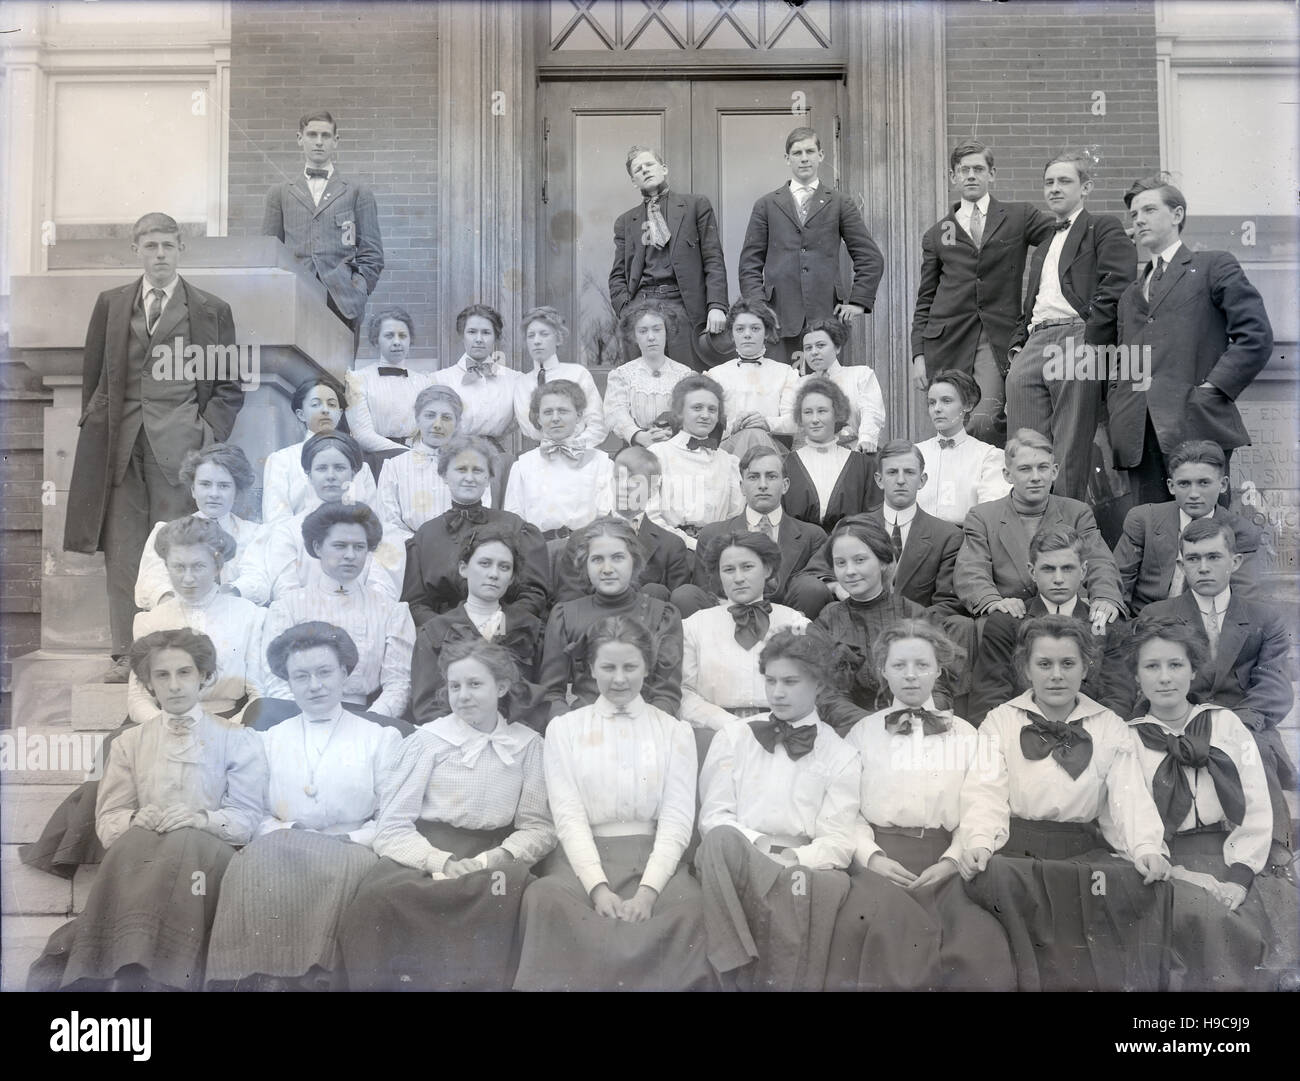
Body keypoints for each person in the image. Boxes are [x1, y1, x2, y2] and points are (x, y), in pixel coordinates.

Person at [28, 629, 265, 991]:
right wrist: (135, 818)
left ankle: (150, 979)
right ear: (149, 685)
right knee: (133, 842)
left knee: (183, 843)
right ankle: (130, 975)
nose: (174, 685)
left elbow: (246, 821)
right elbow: (108, 823)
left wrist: (200, 819)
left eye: (184, 672)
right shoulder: (129, 742)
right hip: (143, 857)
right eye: (162, 675)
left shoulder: (238, 739)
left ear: (204, 676)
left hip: (207, 862)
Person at [64, 211, 245, 683]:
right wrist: (97, 424)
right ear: (136, 250)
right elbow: (93, 378)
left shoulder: (210, 309)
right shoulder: (111, 304)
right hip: (120, 447)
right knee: (122, 550)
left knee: (180, 550)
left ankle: (181, 651)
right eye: (150, 246)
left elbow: (228, 387)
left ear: (180, 248)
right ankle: (125, 652)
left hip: (181, 450)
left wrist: (205, 437)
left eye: (167, 245)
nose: (159, 254)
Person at [958, 616, 1173, 991]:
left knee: (1135, 887)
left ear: (1086, 667)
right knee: (995, 880)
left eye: (1068, 664)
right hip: (1018, 851)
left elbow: (1128, 798)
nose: (1056, 675)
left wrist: (1146, 848)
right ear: (1026, 668)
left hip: (1081, 851)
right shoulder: (1001, 721)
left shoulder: (1108, 725)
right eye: (1044, 664)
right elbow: (985, 791)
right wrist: (979, 841)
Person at [340, 640, 556, 991]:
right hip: (425, 850)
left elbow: (539, 827)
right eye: (455, 686)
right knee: (377, 901)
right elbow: (393, 825)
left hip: (493, 857)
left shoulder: (528, 745)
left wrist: (497, 857)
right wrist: (439, 860)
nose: (464, 695)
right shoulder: (428, 741)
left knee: (507, 896)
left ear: (501, 687)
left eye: (475, 684)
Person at [515, 616, 712, 991]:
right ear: (590, 669)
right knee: (543, 898)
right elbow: (568, 815)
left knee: (692, 908)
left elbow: (676, 819)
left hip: (653, 858)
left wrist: (650, 891)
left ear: (647, 668)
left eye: (630, 667)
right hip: (582, 858)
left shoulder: (674, 731)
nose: (619, 679)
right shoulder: (565, 729)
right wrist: (596, 887)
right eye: (607, 667)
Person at [205, 623, 403, 990]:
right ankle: (260, 980)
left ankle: (314, 982)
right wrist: (286, 831)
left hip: (351, 847)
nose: (314, 685)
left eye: (325, 672)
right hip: (281, 844)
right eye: (301, 676)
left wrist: (350, 838)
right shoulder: (266, 741)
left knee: (339, 870)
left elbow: (393, 817)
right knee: (253, 862)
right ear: (289, 682)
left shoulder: (380, 740)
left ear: (344, 673)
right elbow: (253, 812)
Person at [826, 619, 1016, 991]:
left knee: (979, 943)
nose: (911, 676)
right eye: (899, 666)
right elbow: (843, 808)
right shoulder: (863, 734)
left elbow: (984, 802)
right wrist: (872, 857)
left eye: (922, 665)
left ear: (938, 670)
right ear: (883, 670)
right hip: (879, 865)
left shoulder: (966, 735)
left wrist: (952, 860)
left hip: (945, 867)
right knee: (880, 936)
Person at [1125, 622, 1296, 991]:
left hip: (1235, 855)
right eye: (1151, 667)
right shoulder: (1129, 739)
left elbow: (1255, 804)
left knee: (1272, 920)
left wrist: (1239, 876)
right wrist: (1179, 871)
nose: (1165, 677)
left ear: (1193, 670)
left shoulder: (1226, 725)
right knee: (1207, 922)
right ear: (1137, 677)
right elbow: (1131, 819)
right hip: (1170, 864)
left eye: (1175, 665)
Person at [695, 629, 859, 990]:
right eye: (770, 681)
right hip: (742, 854)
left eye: (790, 681)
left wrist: (792, 857)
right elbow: (714, 816)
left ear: (818, 684)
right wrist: (762, 850)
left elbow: (839, 839)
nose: (778, 692)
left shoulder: (840, 754)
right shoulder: (735, 737)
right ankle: (734, 964)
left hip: (800, 861)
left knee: (810, 888)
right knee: (719, 839)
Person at [1137, 516, 1296, 876]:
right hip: (1178, 717)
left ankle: (1277, 853)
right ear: (1181, 564)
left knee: (1253, 746)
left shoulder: (1263, 617)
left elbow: (1274, 686)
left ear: (1235, 561)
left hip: (1243, 718)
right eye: (1193, 559)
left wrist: (1229, 725)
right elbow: (1152, 677)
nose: (1203, 567)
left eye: (1213, 557)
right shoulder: (1158, 615)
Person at [1111, 174, 1273, 505]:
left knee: (1207, 534)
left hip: (1196, 422)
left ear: (1177, 214)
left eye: (1149, 210)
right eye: (1134, 215)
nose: (1139, 219)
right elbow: (1122, 360)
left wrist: (1212, 389)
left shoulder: (1212, 265)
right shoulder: (1130, 294)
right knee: (1154, 537)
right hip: (1139, 435)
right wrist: (1119, 404)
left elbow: (1255, 335)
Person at [1005, 150, 1135, 501]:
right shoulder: (1044, 243)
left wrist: (1091, 338)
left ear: (1085, 187)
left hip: (1077, 334)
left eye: (1065, 181)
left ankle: (1065, 525)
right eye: (1049, 182)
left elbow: (1118, 282)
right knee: (1025, 442)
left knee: (1069, 441)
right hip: (1036, 339)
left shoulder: (1102, 227)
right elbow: (1032, 302)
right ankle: (1031, 518)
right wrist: (1019, 343)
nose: (1055, 188)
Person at [911, 140, 1057, 443]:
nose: (971, 175)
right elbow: (925, 297)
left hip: (995, 336)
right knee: (951, 427)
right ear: (953, 177)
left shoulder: (1019, 216)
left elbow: (1061, 240)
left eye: (978, 169)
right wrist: (918, 355)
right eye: (963, 170)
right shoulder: (938, 233)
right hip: (947, 341)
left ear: (992, 174)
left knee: (984, 420)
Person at [251, 503, 415, 729]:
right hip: (297, 716)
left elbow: (398, 685)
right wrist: (306, 720)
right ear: (318, 547)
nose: (350, 555)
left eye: (359, 547)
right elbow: (276, 678)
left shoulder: (392, 612)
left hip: (364, 719)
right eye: (340, 546)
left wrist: (363, 725)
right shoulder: (287, 607)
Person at [737, 126, 884, 363]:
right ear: (787, 159)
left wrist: (858, 302)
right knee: (782, 387)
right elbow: (749, 263)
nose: (804, 158)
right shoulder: (766, 205)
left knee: (822, 387)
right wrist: (759, 309)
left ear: (821, 155)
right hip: (779, 316)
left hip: (826, 312)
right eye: (797, 153)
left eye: (809, 151)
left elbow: (870, 257)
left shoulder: (839, 203)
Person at [954, 428, 1123, 625]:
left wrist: (1104, 597)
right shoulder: (983, 517)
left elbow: (1100, 562)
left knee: (1105, 623)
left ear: (1054, 472)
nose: (1036, 477)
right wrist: (993, 602)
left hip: (1067, 615)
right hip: (1012, 615)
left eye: (1042, 468)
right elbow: (971, 569)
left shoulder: (1077, 512)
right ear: (1008, 475)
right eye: (1025, 469)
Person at [968, 526, 1132, 724]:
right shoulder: (1007, 623)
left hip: (1092, 737)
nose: (1058, 579)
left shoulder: (1106, 625)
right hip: (1024, 736)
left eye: (1068, 568)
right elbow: (989, 696)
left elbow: (1119, 697)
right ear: (1032, 571)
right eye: (1048, 569)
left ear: (1084, 571)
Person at [806, 517, 954, 734]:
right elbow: (828, 695)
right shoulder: (828, 620)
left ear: (884, 561)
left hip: (916, 729)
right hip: (852, 733)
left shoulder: (914, 615)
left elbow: (940, 687)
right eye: (840, 563)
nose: (849, 571)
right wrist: (876, 727)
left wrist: (908, 721)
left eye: (860, 560)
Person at [538, 518, 684, 722]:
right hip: (585, 732)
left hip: (646, 730)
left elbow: (667, 694)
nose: (607, 569)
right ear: (584, 564)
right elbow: (551, 693)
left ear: (634, 561)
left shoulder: (662, 615)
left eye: (617, 558)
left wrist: (647, 730)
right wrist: (569, 729)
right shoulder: (566, 616)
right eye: (597, 559)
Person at [261, 109, 384, 348]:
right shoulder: (279, 193)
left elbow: (373, 253)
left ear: (335, 141)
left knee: (340, 374)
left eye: (326, 136)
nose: (319, 142)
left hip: (342, 301)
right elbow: (270, 253)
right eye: (312, 134)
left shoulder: (357, 192)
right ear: (300, 138)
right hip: (294, 297)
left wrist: (357, 291)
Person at [401, 435, 551, 626]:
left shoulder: (515, 527)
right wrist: (450, 632)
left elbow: (533, 593)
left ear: (488, 478)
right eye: (461, 469)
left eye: (478, 470)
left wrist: (496, 626)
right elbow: (416, 603)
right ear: (445, 476)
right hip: (445, 638)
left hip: (505, 633)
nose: (469, 478)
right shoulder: (426, 535)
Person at [129, 517, 266, 727]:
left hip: (232, 723)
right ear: (166, 566)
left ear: (217, 567)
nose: (188, 578)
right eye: (178, 567)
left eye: (198, 566)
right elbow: (139, 698)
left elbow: (260, 693)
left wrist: (226, 730)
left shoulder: (249, 616)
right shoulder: (151, 621)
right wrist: (169, 727)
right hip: (163, 725)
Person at [673, 446, 832, 620]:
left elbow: (810, 592)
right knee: (685, 594)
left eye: (771, 476)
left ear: (785, 485)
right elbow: (707, 590)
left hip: (788, 624)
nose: (763, 485)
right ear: (742, 486)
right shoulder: (713, 534)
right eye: (754, 477)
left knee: (811, 587)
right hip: (728, 619)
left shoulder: (812, 536)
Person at [409, 526, 544, 729]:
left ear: (512, 577)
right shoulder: (435, 631)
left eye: (504, 567)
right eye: (485, 563)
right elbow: (427, 706)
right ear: (464, 568)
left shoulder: (530, 628)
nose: (494, 574)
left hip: (516, 737)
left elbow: (543, 695)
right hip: (454, 739)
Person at [609, 145, 728, 372]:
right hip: (642, 307)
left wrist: (716, 305)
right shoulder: (626, 222)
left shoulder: (695, 206)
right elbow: (617, 274)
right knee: (643, 378)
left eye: (649, 164)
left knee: (686, 380)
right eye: (638, 169)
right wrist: (627, 311)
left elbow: (713, 259)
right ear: (634, 181)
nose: (645, 170)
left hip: (682, 306)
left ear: (664, 169)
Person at [240, 431, 396, 604]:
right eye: (321, 468)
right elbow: (286, 592)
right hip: (304, 624)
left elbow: (382, 594)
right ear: (309, 475)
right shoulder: (287, 531)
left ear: (353, 473)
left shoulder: (382, 533)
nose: (330, 476)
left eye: (339, 467)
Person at [679, 531, 810, 736]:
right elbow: (684, 693)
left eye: (747, 567)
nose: (738, 578)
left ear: (767, 569)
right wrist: (728, 724)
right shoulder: (694, 626)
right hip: (716, 734)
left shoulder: (794, 623)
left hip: (782, 732)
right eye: (728, 569)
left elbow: (810, 686)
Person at [1114, 439, 1261, 615]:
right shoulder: (1144, 520)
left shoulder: (1241, 532)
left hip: (1205, 629)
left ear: (1223, 485)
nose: (1194, 494)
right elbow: (1117, 584)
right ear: (1171, 486)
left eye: (1204, 483)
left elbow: (1243, 601)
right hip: (1147, 626)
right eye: (1184, 484)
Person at [553, 447, 692, 602]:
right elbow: (570, 604)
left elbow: (675, 611)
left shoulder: (671, 546)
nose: (624, 486)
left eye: (636, 481)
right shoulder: (580, 539)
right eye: (619, 478)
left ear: (652, 490)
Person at [135, 444, 265, 609]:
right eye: (205, 484)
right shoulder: (167, 533)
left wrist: (217, 604)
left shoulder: (255, 534)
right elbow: (150, 584)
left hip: (233, 616)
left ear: (237, 491)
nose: (214, 494)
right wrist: (181, 610)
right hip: (179, 620)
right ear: (193, 490)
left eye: (224, 485)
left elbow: (258, 582)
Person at [503, 379, 615, 547]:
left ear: (578, 416)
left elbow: (607, 514)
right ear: (538, 418)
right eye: (548, 412)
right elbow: (514, 518)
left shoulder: (601, 462)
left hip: (586, 549)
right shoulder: (522, 465)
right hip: (537, 551)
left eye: (563, 411)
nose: (555, 418)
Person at [432, 304, 521, 503]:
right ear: (462, 335)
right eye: (472, 332)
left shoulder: (514, 380)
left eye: (486, 332)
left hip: (496, 461)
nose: (479, 339)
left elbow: (523, 419)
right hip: (455, 459)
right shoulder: (440, 379)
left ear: (496, 337)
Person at [645, 374, 745, 550]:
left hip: (718, 551)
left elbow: (735, 516)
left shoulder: (727, 461)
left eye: (712, 409)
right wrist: (692, 545)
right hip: (672, 551)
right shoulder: (658, 455)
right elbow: (650, 517)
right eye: (697, 408)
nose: (705, 415)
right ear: (679, 413)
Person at [375, 384, 484, 545]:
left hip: (461, 549)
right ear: (417, 419)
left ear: (457, 423)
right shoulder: (394, 467)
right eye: (430, 415)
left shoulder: (472, 466)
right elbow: (388, 522)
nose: (437, 424)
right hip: (410, 551)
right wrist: (420, 546)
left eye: (446, 417)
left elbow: (481, 514)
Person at [260, 375, 377, 524]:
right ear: (301, 414)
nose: (325, 410)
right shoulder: (282, 460)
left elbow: (372, 519)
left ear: (340, 414)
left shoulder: (361, 466)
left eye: (332, 405)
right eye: (316, 404)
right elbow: (276, 520)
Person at [345, 307, 438, 475]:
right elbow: (362, 435)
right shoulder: (358, 379)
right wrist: (407, 453)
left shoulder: (424, 382)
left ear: (410, 340)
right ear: (376, 340)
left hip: (415, 463)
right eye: (389, 335)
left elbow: (426, 429)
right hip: (374, 461)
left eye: (403, 336)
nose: (397, 342)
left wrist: (417, 453)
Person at [782, 376, 879, 531]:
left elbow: (874, 521)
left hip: (851, 548)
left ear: (837, 413)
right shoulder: (785, 464)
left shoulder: (862, 465)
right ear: (800, 417)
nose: (814, 419)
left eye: (822, 411)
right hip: (799, 551)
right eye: (808, 412)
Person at [915, 368, 1010, 524]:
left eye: (946, 401)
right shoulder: (916, 453)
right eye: (932, 403)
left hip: (967, 540)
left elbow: (991, 514)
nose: (937, 409)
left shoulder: (988, 456)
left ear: (967, 405)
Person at [706, 298, 798, 458]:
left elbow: (795, 420)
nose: (747, 334)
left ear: (766, 333)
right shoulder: (715, 375)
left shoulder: (785, 373)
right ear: (732, 334)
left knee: (755, 434)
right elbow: (706, 423)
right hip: (729, 451)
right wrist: (733, 426)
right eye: (740, 329)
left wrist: (767, 423)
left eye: (755, 328)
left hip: (772, 449)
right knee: (751, 434)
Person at [603, 299, 694, 447]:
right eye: (643, 331)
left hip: (676, 447)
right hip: (637, 449)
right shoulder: (622, 375)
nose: (651, 337)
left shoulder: (684, 375)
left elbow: (692, 413)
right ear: (635, 336)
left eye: (657, 329)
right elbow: (616, 413)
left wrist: (674, 433)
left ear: (667, 332)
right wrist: (639, 436)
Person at [511, 306, 607, 447]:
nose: (537, 341)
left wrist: (575, 446)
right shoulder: (522, 383)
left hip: (580, 452)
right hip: (540, 455)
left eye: (544, 334)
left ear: (558, 339)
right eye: (531, 336)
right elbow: (529, 427)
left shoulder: (577, 374)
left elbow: (597, 423)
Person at [785, 317, 885, 451]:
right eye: (808, 348)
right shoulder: (799, 384)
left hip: (853, 451)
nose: (814, 352)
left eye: (820, 345)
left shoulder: (860, 375)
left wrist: (867, 439)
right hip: (810, 452)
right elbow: (791, 421)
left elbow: (871, 411)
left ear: (837, 347)